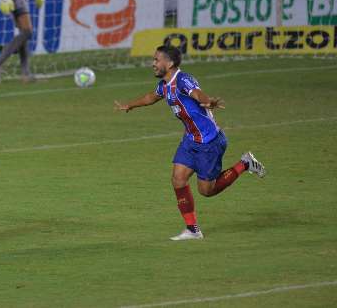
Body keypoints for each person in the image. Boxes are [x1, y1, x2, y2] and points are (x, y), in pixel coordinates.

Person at [114, 45, 266, 241]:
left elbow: (198, 94)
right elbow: (150, 97)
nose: (153, 63)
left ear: (169, 63)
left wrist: (208, 101)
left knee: (206, 191)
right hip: (190, 139)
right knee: (178, 179)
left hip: (209, 142)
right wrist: (130, 105)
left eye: (157, 60)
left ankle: (245, 163)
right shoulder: (164, 85)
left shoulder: (183, 79)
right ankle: (192, 229)